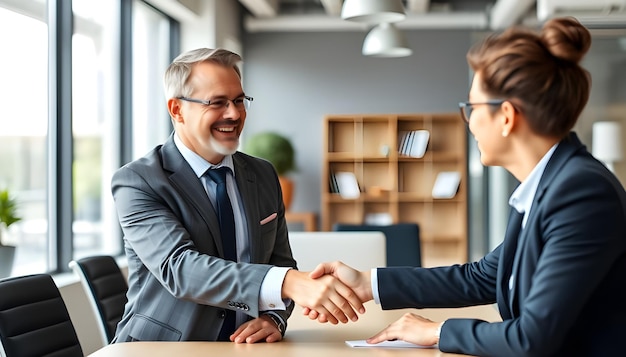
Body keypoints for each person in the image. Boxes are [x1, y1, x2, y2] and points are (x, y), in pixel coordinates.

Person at [305, 17, 626, 356]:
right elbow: (483, 277)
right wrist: (368, 283)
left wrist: (435, 331)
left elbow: (531, 338)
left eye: (472, 108)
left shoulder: (581, 194)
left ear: (506, 116)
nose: (469, 121)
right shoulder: (552, 186)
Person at [110, 48, 363, 344]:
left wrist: (274, 318)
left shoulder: (264, 174)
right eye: (217, 102)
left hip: (245, 349)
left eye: (239, 100)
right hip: (162, 348)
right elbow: (180, 269)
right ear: (177, 109)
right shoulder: (139, 181)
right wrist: (288, 283)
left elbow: (281, 262)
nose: (234, 113)